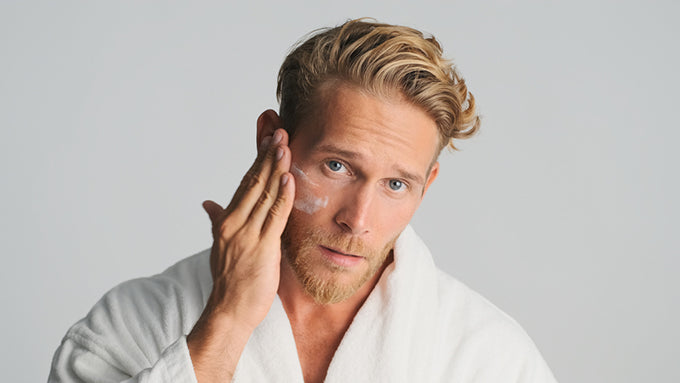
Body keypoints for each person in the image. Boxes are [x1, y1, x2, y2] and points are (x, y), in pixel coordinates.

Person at [49, 18, 558, 383]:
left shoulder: (488, 358)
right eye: (337, 167)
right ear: (273, 139)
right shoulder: (131, 325)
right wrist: (223, 326)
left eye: (396, 185)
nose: (358, 220)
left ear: (429, 184)